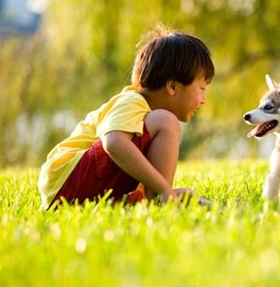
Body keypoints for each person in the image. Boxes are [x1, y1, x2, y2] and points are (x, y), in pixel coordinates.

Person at [38, 24, 215, 210]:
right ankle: (161, 197)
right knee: (166, 121)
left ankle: (154, 198)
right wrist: (164, 189)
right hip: (68, 180)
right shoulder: (132, 101)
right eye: (202, 89)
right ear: (172, 87)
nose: (203, 99)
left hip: (69, 189)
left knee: (157, 127)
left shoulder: (144, 120)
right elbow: (113, 142)